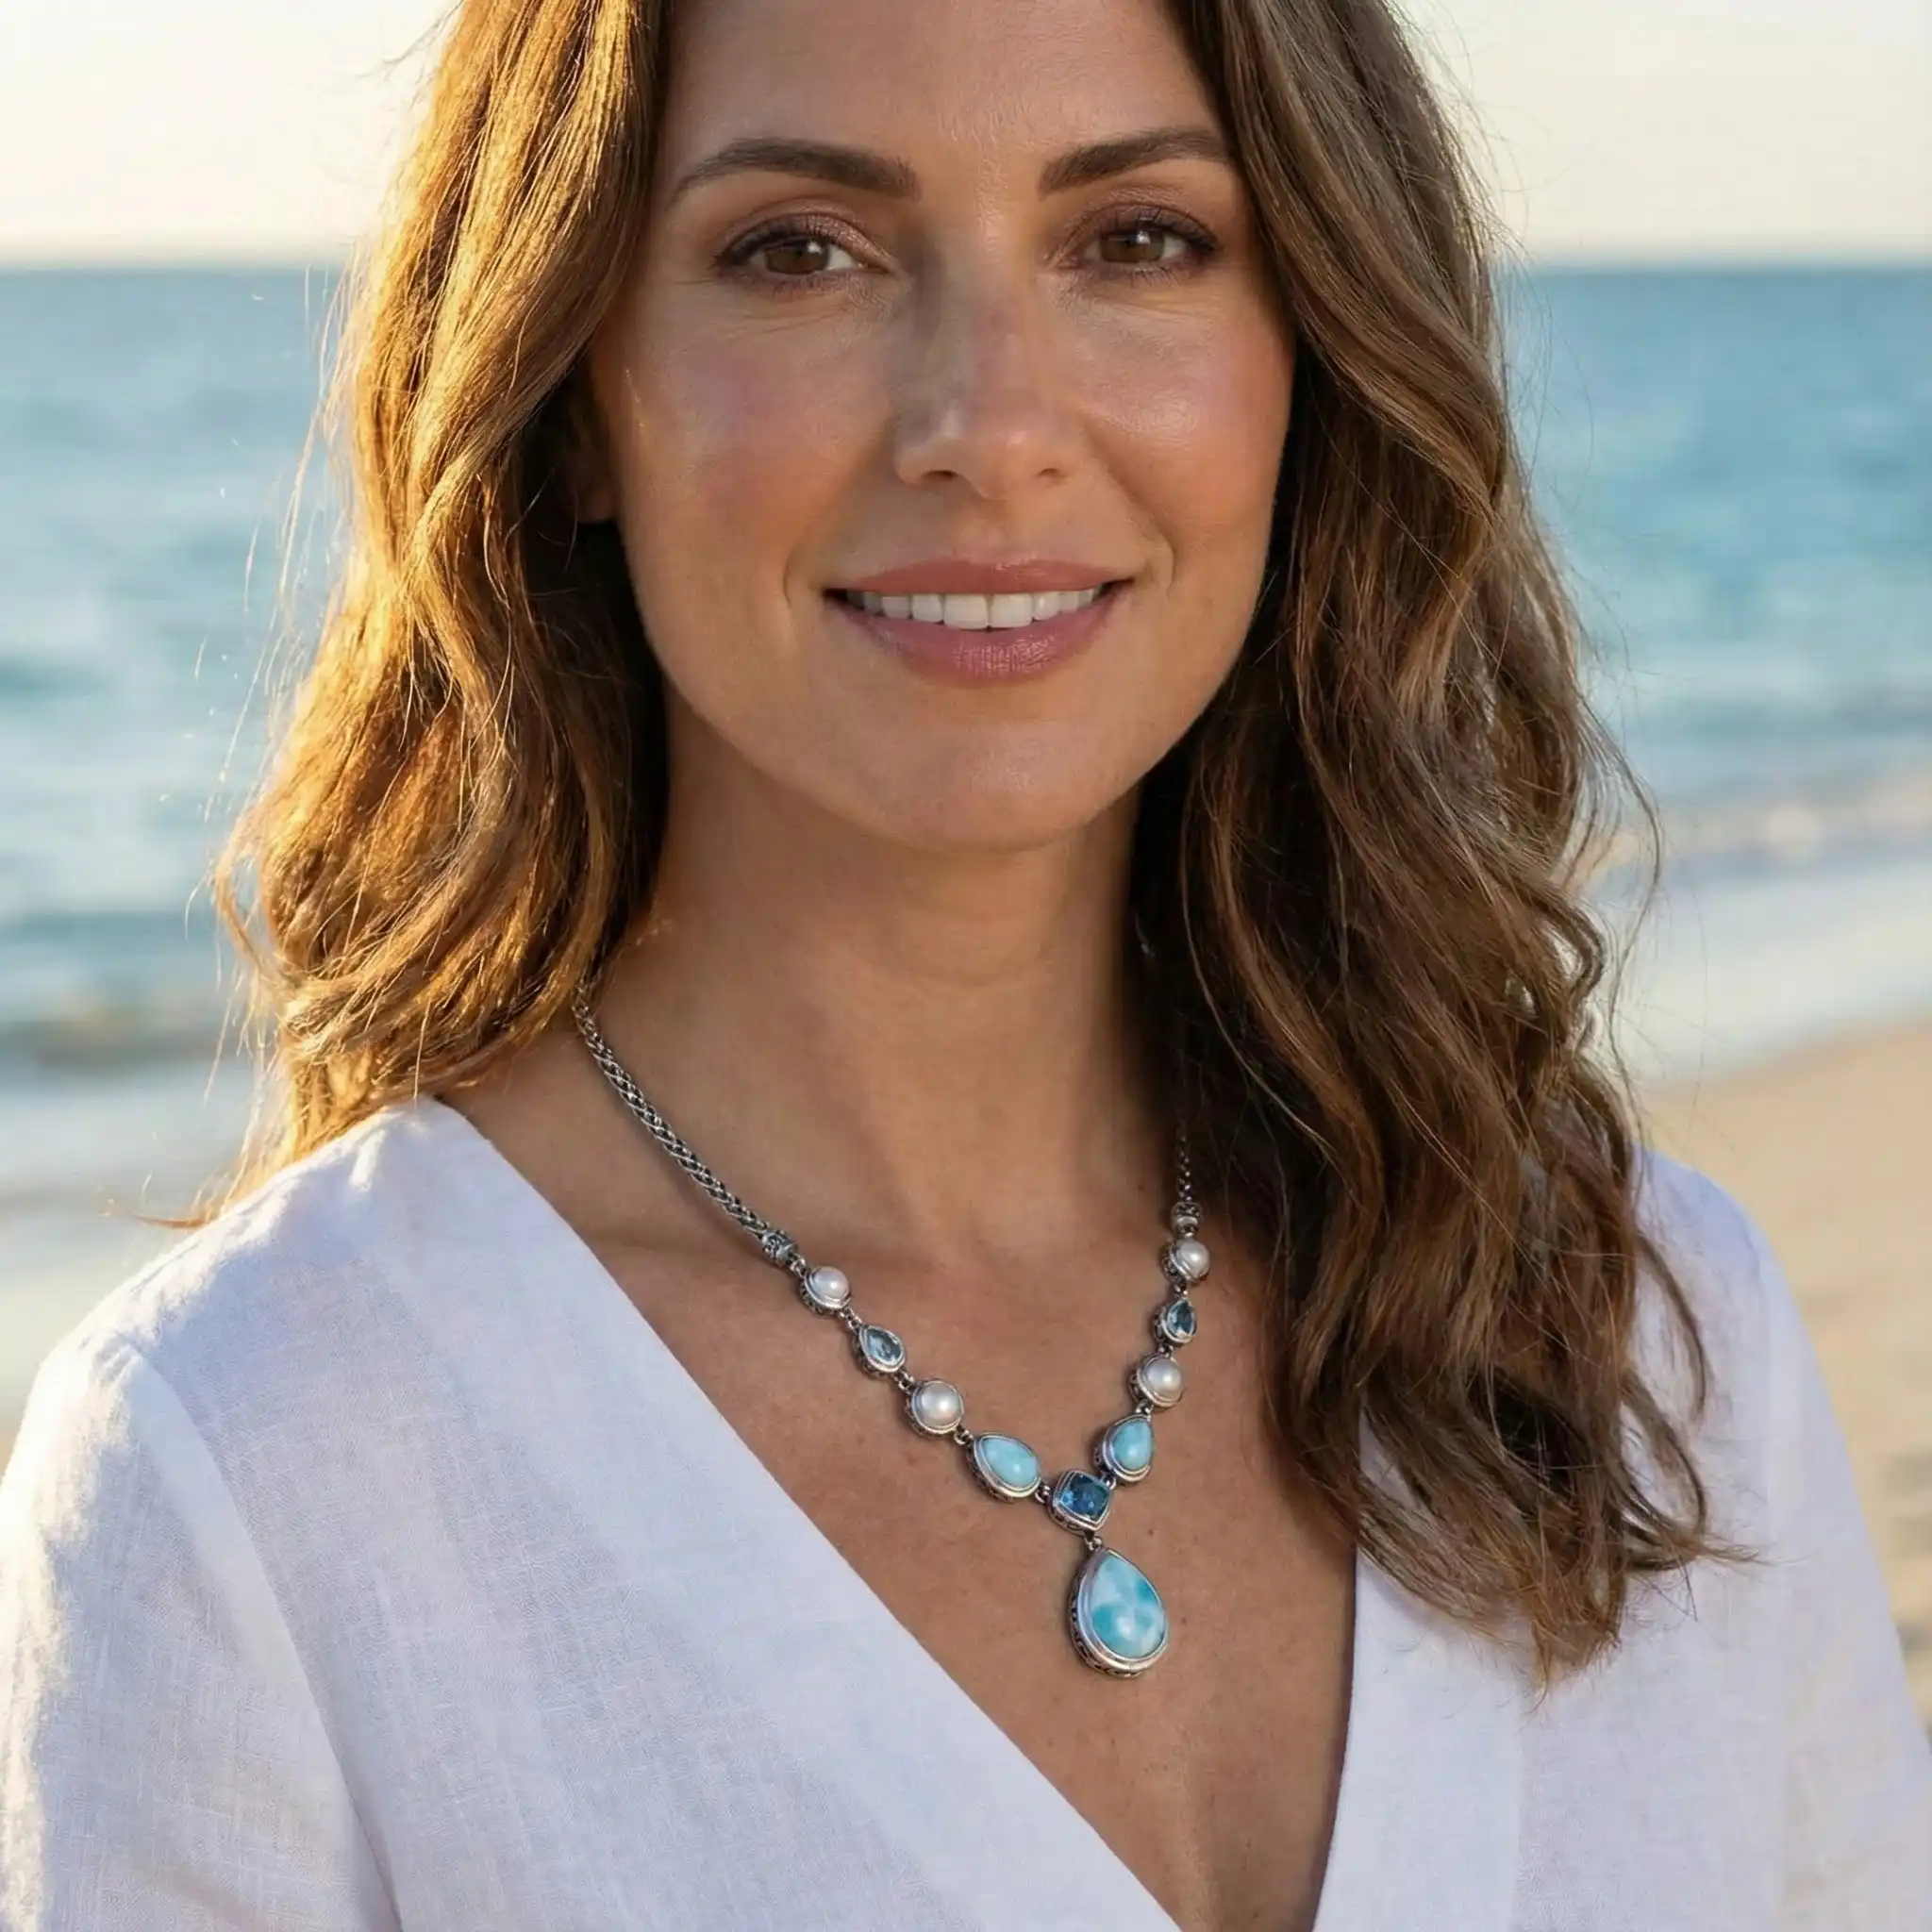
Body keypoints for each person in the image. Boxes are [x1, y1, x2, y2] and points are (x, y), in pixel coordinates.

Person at [2, 0, 1927, 1924]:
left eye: (1138, 241)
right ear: (573, 389)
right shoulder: (244, 1466)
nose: (989, 428)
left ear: (1307, 357)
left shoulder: (1641, 1332)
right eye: (800, 253)